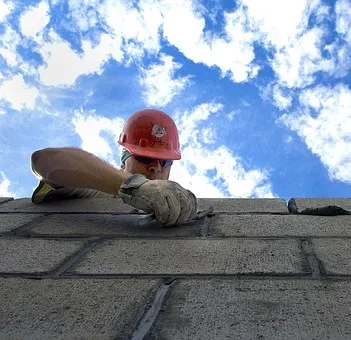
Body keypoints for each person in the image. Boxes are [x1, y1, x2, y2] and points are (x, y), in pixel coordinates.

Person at [30, 109, 197, 226]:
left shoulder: (177, 207)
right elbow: (44, 160)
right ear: (124, 161)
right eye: (144, 158)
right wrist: (135, 186)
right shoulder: (96, 189)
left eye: (165, 162)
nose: (156, 168)